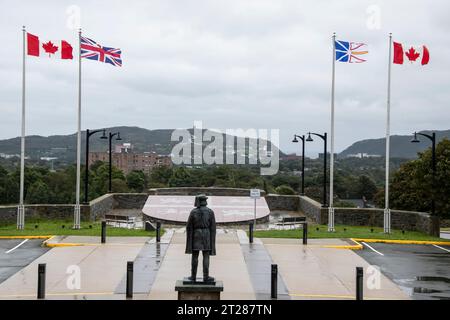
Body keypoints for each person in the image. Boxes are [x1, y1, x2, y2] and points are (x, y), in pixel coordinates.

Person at [185, 194, 216, 282]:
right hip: (206, 234)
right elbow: (213, 227)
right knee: (206, 256)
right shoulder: (210, 212)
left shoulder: (193, 212)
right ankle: (206, 277)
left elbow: (188, 226)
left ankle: (193, 276)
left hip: (196, 235)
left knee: (195, 256)